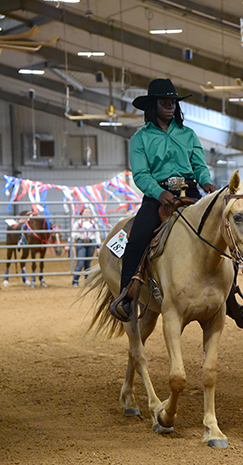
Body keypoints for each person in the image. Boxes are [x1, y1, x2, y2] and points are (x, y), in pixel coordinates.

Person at [110, 78, 223, 322]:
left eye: (173, 102)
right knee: (138, 236)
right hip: (158, 197)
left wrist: (206, 182)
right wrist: (158, 192)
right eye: (165, 102)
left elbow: (199, 165)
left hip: (191, 192)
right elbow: (140, 174)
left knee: (220, 229)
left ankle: (232, 292)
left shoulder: (189, 134)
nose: (170, 106)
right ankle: (126, 296)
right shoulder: (140, 139)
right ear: (153, 106)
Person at [71, 206, 102, 286]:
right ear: (82, 213)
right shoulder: (78, 223)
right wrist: (71, 242)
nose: (87, 214)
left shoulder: (93, 223)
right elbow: (73, 234)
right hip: (81, 242)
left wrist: (98, 247)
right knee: (80, 262)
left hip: (91, 243)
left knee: (88, 263)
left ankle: (87, 281)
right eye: (86, 212)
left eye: (89, 212)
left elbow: (97, 235)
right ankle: (75, 280)